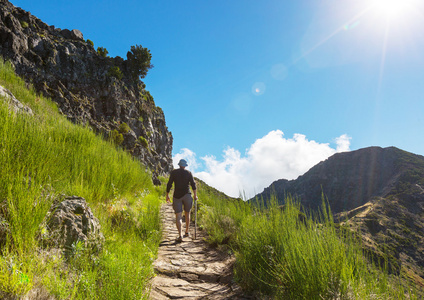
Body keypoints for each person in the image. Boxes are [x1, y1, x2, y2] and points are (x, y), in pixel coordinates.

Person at [166, 159, 198, 243]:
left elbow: (169, 183)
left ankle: (180, 235)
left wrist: (167, 195)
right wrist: (195, 195)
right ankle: (187, 232)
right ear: (185, 166)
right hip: (187, 195)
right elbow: (193, 185)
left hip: (177, 196)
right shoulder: (188, 173)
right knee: (187, 213)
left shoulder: (174, 173)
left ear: (179, 165)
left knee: (178, 215)